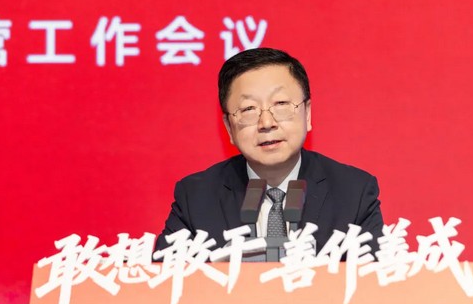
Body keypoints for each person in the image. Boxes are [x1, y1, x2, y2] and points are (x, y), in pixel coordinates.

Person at [155, 48, 383, 256]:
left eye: (281, 104)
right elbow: (163, 279)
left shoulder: (354, 192)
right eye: (248, 109)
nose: (266, 123)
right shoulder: (196, 198)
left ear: (307, 114)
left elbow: (372, 279)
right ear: (229, 128)